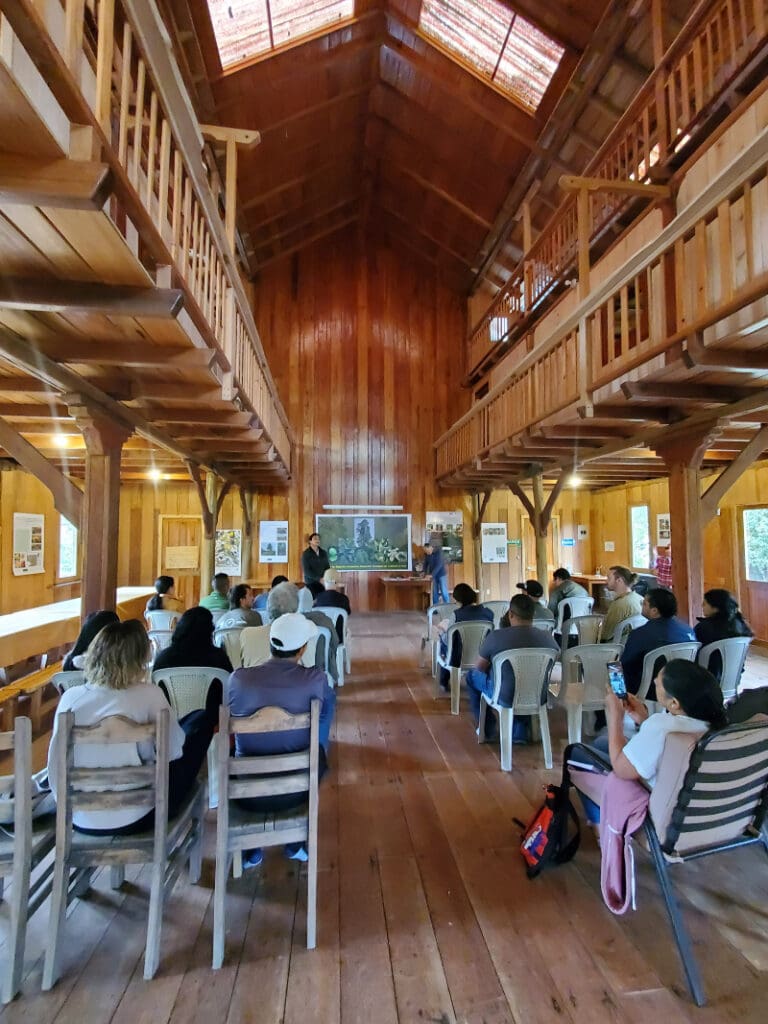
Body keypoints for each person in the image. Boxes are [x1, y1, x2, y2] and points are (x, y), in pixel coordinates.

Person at [48, 620, 216, 834]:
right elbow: (173, 751)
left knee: (193, 721)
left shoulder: (71, 698)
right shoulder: (150, 694)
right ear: (140, 658)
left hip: (81, 818)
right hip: (142, 812)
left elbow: (55, 765)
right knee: (200, 721)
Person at [227, 612, 337, 866]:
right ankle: (295, 843)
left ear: (271, 644)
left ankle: (250, 849)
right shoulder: (314, 679)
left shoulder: (238, 680)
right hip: (298, 789)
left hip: (245, 791)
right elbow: (327, 709)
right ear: (303, 649)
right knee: (322, 732)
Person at [567, 659, 728, 827]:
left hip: (658, 808)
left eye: (659, 683)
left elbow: (621, 769)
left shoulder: (661, 726)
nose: (655, 681)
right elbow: (666, 739)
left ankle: (600, 826)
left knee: (576, 753)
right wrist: (645, 720)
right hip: (693, 804)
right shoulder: (716, 725)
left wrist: (615, 717)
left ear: (674, 703)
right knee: (602, 743)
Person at [465, 594, 559, 740]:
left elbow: (480, 667)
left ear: (510, 614)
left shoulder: (496, 637)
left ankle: (487, 729)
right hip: (537, 694)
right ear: (533, 614)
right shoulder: (548, 638)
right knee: (525, 681)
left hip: (504, 695)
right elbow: (552, 664)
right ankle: (520, 731)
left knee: (471, 677)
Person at [152, 606, 232, 712]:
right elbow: (231, 687)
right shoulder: (219, 658)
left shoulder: (163, 659)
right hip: (211, 719)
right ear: (209, 630)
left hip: (171, 719)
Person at [620, 588, 695, 698]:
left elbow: (625, 664)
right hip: (682, 687)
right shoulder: (688, 630)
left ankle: (620, 701)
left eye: (644, 604)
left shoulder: (641, 634)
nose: (642, 606)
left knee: (614, 669)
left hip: (649, 690)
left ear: (654, 611)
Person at [437, 583, 494, 691]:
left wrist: (442, 634)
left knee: (443, 644)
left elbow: (448, 640)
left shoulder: (456, 614)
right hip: (483, 657)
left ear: (459, 601)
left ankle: (443, 681)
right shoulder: (489, 613)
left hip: (459, 658)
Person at [694, 588, 753, 681]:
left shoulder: (703, 627)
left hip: (707, 679)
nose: (702, 606)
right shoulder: (741, 625)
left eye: (705, 604)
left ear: (715, 608)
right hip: (733, 679)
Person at [601, 566, 643, 642]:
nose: (606, 581)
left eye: (609, 578)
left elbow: (605, 636)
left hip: (616, 646)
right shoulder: (640, 598)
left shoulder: (619, 604)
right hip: (634, 642)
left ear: (619, 580)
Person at [313, 569, 351, 640]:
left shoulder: (318, 598)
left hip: (322, 638)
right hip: (339, 638)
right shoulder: (344, 599)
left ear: (323, 581)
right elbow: (347, 613)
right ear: (338, 583)